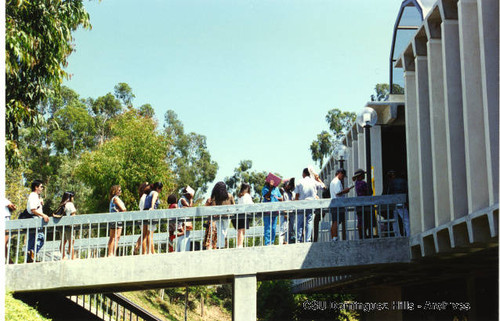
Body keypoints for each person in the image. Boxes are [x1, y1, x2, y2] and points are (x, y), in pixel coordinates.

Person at [294, 168, 325, 243]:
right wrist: (318, 179)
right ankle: (308, 239)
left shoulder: (300, 181)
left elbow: (297, 195)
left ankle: (299, 239)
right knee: (309, 222)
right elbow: (324, 187)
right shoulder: (313, 181)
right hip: (311, 204)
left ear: (304, 174)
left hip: (301, 204)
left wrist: (295, 203)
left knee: (300, 222)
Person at [204, 182, 235, 249]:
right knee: (225, 231)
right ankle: (222, 245)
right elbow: (233, 205)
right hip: (227, 216)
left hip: (218, 217)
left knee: (220, 231)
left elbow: (214, 207)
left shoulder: (215, 197)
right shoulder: (229, 196)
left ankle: (220, 245)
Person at [26, 180, 49, 263]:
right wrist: (43, 215)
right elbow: (33, 209)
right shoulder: (33, 196)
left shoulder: (36, 197)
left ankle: (30, 256)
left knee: (33, 239)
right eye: (41, 186)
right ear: (36, 187)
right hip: (34, 219)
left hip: (35, 219)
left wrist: (40, 202)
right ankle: (31, 254)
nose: (42, 188)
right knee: (40, 237)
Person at [329, 169, 354, 241]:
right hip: (338, 204)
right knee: (336, 221)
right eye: (342, 176)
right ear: (339, 173)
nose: (343, 178)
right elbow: (338, 192)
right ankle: (335, 237)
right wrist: (345, 191)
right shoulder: (337, 181)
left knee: (334, 221)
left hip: (334, 204)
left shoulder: (333, 181)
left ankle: (333, 237)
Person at [385, 170, 410, 236]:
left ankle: (397, 235)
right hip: (402, 201)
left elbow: (388, 193)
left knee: (394, 220)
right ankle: (408, 234)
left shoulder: (391, 182)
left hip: (394, 202)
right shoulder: (404, 181)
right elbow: (407, 190)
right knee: (406, 219)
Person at [353, 169, 376, 239]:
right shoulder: (363, 183)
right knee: (366, 220)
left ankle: (362, 235)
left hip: (359, 205)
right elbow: (370, 192)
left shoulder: (356, 183)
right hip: (366, 204)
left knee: (360, 220)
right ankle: (365, 235)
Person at [142, 182, 163, 254]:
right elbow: (153, 200)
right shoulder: (155, 193)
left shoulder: (149, 193)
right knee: (150, 234)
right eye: (161, 189)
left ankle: (146, 252)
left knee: (145, 234)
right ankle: (152, 252)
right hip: (150, 213)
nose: (160, 191)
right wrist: (152, 207)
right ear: (158, 188)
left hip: (145, 212)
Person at [262, 178, 283, 245]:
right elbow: (267, 196)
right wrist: (270, 188)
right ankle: (267, 243)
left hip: (275, 211)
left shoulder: (276, 189)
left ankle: (272, 242)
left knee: (273, 228)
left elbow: (281, 198)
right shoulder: (265, 188)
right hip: (267, 211)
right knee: (267, 227)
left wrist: (278, 198)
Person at [108, 185, 126, 257]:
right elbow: (123, 209)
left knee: (116, 237)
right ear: (114, 191)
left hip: (116, 219)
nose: (120, 191)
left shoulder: (115, 199)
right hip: (115, 219)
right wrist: (121, 210)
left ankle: (112, 253)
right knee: (114, 237)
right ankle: (111, 253)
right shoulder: (115, 199)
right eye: (119, 190)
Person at [57, 192, 77, 260]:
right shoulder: (70, 204)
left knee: (63, 241)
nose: (73, 198)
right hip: (69, 226)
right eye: (72, 197)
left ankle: (63, 256)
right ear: (70, 197)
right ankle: (72, 257)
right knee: (71, 243)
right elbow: (73, 214)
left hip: (62, 226)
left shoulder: (61, 204)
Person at [134, 182, 151, 254]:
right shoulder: (145, 196)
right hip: (144, 217)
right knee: (145, 234)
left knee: (144, 234)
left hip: (142, 217)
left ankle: (137, 247)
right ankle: (144, 251)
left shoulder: (143, 196)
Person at [235, 183, 253, 248]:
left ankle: (239, 244)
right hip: (245, 213)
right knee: (242, 230)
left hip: (239, 213)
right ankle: (240, 245)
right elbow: (250, 204)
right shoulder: (247, 195)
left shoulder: (239, 195)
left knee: (240, 230)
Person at [177, 186, 194, 252]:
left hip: (185, 221)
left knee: (185, 236)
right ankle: (183, 251)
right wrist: (191, 200)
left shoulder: (185, 199)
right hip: (182, 222)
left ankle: (183, 250)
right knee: (183, 237)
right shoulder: (183, 199)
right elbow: (190, 208)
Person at [280, 178, 295, 244]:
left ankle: (288, 241)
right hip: (284, 212)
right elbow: (282, 201)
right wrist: (284, 211)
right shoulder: (282, 192)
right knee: (284, 228)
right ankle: (283, 241)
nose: (289, 186)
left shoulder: (290, 193)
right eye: (288, 185)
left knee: (291, 228)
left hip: (291, 212)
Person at [4, 198, 16, 263]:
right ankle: (9, 261)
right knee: (4, 243)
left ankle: (9, 260)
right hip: (5, 219)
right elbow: (12, 207)